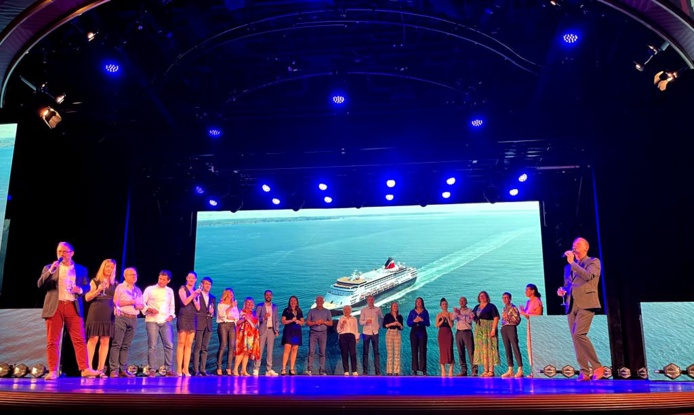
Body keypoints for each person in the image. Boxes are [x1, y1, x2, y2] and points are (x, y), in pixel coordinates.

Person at [37, 241, 102, 380]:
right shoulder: (49, 267)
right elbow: (40, 284)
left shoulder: (81, 269)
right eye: (59, 251)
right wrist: (51, 271)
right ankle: (53, 371)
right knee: (52, 340)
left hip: (73, 306)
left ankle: (85, 369)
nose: (61, 254)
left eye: (65, 251)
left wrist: (79, 290)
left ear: (72, 253)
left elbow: (87, 287)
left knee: (79, 339)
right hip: (55, 307)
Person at [557, 237, 604, 381]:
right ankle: (584, 371)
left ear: (586, 248)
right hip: (571, 304)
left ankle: (597, 367)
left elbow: (588, 276)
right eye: (573, 245)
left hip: (587, 303)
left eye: (577, 245)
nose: (574, 247)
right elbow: (569, 284)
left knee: (579, 334)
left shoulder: (593, 262)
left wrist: (572, 263)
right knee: (575, 338)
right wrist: (563, 290)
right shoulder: (568, 267)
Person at [84, 258, 117, 377]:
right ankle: (88, 368)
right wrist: (98, 291)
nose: (109, 269)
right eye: (107, 266)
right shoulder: (95, 281)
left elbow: (116, 300)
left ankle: (101, 369)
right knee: (93, 339)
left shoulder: (116, 283)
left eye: (112, 267)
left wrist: (118, 307)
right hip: (96, 311)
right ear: (103, 267)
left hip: (109, 313)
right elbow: (87, 298)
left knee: (105, 340)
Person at [108, 266, 144, 378]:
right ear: (125, 276)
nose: (134, 276)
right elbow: (116, 302)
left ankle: (123, 369)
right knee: (117, 344)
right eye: (131, 274)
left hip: (133, 318)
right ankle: (113, 369)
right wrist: (131, 302)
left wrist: (138, 305)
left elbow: (141, 305)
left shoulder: (138, 290)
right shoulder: (120, 287)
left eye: (135, 275)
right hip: (122, 317)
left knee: (126, 346)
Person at [142, 270, 177, 377]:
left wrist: (171, 315)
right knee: (152, 346)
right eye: (160, 278)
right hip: (152, 320)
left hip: (165, 320)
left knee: (169, 345)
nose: (161, 281)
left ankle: (168, 369)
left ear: (168, 281)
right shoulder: (150, 289)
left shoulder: (170, 291)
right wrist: (149, 309)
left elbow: (172, 306)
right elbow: (141, 303)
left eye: (163, 279)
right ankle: (152, 369)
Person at [175, 271, 201, 377]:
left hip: (192, 318)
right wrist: (193, 295)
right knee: (181, 343)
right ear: (186, 278)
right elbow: (185, 302)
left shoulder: (196, 291)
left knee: (189, 344)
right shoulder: (182, 289)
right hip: (183, 316)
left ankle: (186, 369)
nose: (191, 279)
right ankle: (179, 369)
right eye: (189, 277)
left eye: (193, 278)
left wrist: (195, 298)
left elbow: (198, 307)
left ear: (195, 280)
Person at [472, 290, 500, 377]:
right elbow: (474, 317)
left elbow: (496, 318)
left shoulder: (491, 306)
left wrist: (493, 329)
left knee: (490, 348)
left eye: (483, 296)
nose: (482, 297)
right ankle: (485, 370)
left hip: (488, 328)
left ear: (487, 297)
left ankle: (491, 371)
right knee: (482, 349)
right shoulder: (477, 307)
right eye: (480, 296)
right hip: (479, 330)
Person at [193, 276, 216, 376]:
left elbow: (213, 313)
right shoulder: (198, 295)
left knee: (205, 348)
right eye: (206, 284)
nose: (208, 286)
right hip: (199, 323)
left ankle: (202, 369)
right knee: (197, 347)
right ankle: (195, 370)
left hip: (208, 324)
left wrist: (212, 313)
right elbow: (195, 309)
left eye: (209, 284)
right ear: (202, 284)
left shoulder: (212, 297)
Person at [253, 290, 280, 376]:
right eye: (267, 295)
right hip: (262, 330)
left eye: (270, 295)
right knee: (259, 350)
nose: (268, 296)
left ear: (272, 296)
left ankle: (268, 369)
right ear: (264, 296)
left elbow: (276, 319)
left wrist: (277, 330)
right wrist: (264, 317)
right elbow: (255, 319)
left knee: (270, 351)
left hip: (271, 330)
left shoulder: (274, 307)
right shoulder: (260, 306)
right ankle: (256, 368)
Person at [519, 283, 543, 378]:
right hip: (530, 325)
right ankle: (533, 369)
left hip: (536, 326)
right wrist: (523, 313)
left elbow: (538, 314)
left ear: (533, 291)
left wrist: (524, 312)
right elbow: (528, 316)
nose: (525, 292)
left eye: (527, 290)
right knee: (530, 348)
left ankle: (537, 370)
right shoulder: (528, 302)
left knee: (535, 348)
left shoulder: (537, 301)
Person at [306, 295, 333, 375]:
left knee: (322, 352)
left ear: (323, 302)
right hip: (313, 333)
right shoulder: (311, 311)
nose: (319, 302)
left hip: (323, 334)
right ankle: (309, 369)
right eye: (318, 301)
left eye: (320, 301)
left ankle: (321, 370)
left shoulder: (327, 311)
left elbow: (331, 323)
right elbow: (307, 323)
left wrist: (323, 322)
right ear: (316, 302)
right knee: (311, 351)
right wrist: (315, 323)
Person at [499, 292, 523, 379]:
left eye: (506, 298)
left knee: (515, 347)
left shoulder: (513, 308)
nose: (504, 299)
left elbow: (517, 320)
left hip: (511, 328)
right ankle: (510, 370)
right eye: (503, 298)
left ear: (510, 299)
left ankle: (520, 369)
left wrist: (508, 317)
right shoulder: (504, 308)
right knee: (507, 348)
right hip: (504, 328)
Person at [234, 297, 260, 376]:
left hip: (251, 335)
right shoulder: (240, 312)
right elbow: (236, 323)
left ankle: (243, 370)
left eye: (251, 303)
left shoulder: (254, 313)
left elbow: (256, 325)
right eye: (248, 302)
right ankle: (235, 369)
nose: (249, 304)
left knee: (247, 352)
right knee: (241, 352)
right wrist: (244, 319)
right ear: (245, 303)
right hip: (242, 334)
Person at [216, 287, 238, 376]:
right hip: (223, 325)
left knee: (231, 347)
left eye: (232, 292)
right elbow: (221, 315)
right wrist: (230, 307)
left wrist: (233, 317)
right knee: (223, 345)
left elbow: (236, 316)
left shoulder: (234, 304)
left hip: (232, 325)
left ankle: (229, 367)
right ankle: (219, 367)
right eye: (229, 292)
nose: (231, 294)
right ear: (225, 294)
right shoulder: (221, 304)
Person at [359, 295, 384, 376]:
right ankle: (365, 371)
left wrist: (379, 326)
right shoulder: (363, 310)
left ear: (374, 300)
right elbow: (360, 322)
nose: (371, 301)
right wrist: (366, 321)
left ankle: (377, 371)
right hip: (365, 333)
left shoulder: (378, 309)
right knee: (365, 352)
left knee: (376, 352)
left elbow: (381, 318)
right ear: (367, 301)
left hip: (375, 332)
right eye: (369, 300)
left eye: (372, 300)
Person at [280, 295, 305, 375]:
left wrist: (298, 321)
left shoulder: (299, 311)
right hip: (288, 331)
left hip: (296, 332)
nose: (293, 302)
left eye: (294, 301)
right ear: (289, 302)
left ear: (297, 302)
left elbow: (302, 322)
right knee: (287, 349)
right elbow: (283, 321)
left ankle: (291, 368)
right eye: (291, 301)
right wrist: (291, 320)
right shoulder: (286, 310)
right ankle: (283, 368)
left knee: (294, 349)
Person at [453, 296, 477, 376]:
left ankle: (474, 370)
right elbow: (452, 318)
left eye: (463, 301)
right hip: (459, 332)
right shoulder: (457, 311)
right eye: (460, 301)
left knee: (471, 351)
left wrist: (460, 315)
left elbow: (469, 320)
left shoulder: (470, 310)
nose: (461, 302)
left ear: (466, 302)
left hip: (467, 332)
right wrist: (456, 313)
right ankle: (463, 370)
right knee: (460, 352)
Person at [407, 296, 430, 376]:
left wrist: (422, 320)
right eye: (417, 302)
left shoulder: (425, 312)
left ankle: (423, 370)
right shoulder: (412, 312)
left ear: (422, 303)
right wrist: (414, 321)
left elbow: (428, 323)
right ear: (415, 303)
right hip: (414, 332)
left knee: (423, 350)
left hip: (422, 331)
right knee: (414, 350)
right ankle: (414, 369)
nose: (418, 303)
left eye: (420, 302)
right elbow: (408, 323)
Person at [337, 305, 360, 376]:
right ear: (343, 311)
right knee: (344, 354)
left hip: (351, 336)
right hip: (343, 336)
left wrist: (357, 337)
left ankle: (354, 370)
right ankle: (346, 370)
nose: (346, 311)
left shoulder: (354, 319)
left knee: (353, 353)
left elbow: (356, 329)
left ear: (350, 311)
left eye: (348, 309)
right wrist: (342, 325)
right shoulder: (341, 319)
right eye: (345, 310)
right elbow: (338, 330)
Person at [435, 297, 455, 377]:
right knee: (442, 351)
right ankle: (443, 370)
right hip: (441, 334)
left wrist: (447, 318)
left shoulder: (451, 314)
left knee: (450, 349)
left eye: (446, 304)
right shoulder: (439, 315)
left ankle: (450, 370)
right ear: (441, 306)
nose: (445, 305)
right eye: (443, 304)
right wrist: (442, 320)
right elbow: (437, 325)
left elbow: (451, 325)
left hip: (448, 333)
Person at [383, 301, 403, 376]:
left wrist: (399, 324)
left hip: (397, 333)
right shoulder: (387, 315)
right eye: (394, 306)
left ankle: (397, 371)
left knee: (397, 353)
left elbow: (401, 327)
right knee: (390, 353)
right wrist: (392, 324)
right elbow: (384, 325)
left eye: (396, 306)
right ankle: (389, 371)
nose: (395, 307)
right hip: (389, 333)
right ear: (391, 307)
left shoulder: (400, 316)